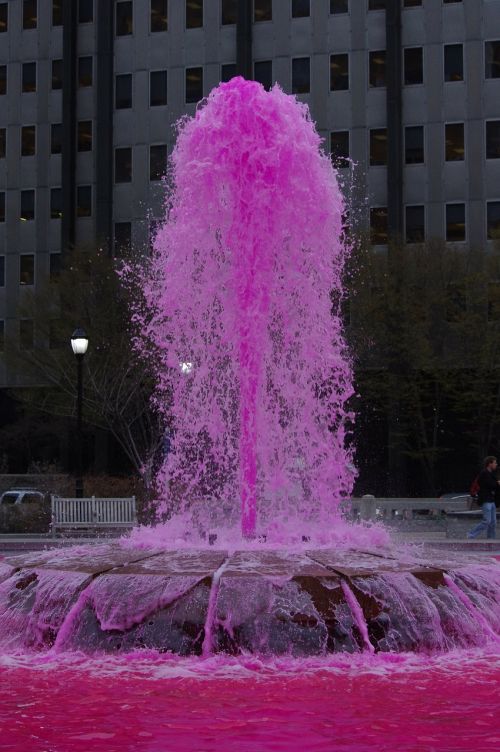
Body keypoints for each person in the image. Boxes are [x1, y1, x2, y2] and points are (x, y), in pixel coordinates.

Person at [467, 456, 499, 540]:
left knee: (493, 522)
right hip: (486, 500)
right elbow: (491, 485)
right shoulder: (484, 473)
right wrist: (497, 483)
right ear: (490, 464)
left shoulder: (490, 474)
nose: (496, 464)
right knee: (487, 521)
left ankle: (491, 539)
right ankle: (471, 534)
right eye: (495, 462)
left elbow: (493, 485)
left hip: (491, 500)